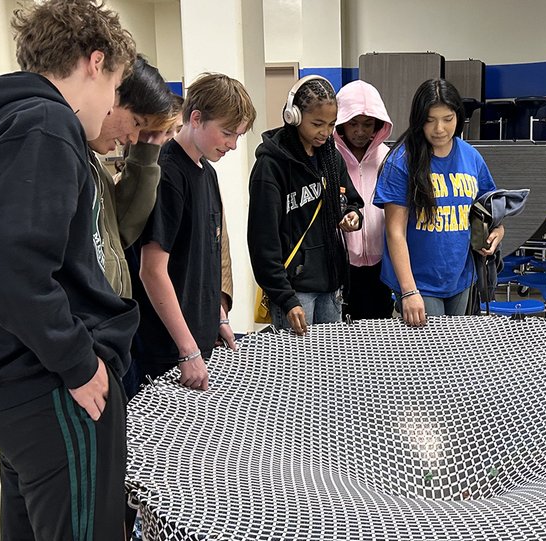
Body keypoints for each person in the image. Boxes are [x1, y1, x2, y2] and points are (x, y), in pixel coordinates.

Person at [0, 0, 137, 541]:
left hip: (17, 387)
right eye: (116, 87)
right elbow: (6, 261)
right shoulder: (47, 124)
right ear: (95, 63)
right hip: (54, 388)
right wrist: (72, 358)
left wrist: (3, 333)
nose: (112, 106)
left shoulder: (3, 126)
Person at [134, 73, 256, 391]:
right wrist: (186, 349)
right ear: (197, 118)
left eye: (238, 136)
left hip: (198, 344)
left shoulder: (208, 173)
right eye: (227, 133)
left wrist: (218, 317)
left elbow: (205, 257)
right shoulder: (168, 175)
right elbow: (152, 271)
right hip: (167, 351)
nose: (232, 145)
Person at [374, 78, 504, 326]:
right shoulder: (401, 161)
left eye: (447, 119)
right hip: (420, 283)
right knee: (431, 360)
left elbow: (486, 210)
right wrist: (409, 291)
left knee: (456, 357)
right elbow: (395, 232)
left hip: (461, 278)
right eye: (430, 120)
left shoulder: (471, 156)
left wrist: (495, 233)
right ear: (418, 120)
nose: (439, 129)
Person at [248, 75, 363, 335]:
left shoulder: (331, 158)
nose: (326, 132)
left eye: (332, 124)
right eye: (317, 124)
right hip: (294, 290)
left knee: (332, 364)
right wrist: (285, 298)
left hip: (331, 284)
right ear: (294, 117)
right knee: (299, 371)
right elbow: (262, 241)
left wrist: (352, 214)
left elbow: (351, 200)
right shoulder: (271, 166)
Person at [89, 54, 175, 299]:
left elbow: (122, 232)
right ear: (112, 96)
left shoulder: (95, 168)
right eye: (137, 123)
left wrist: (146, 153)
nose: (133, 138)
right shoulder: (65, 158)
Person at [334, 79, 395, 320]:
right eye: (353, 124)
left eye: (368, 124)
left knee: (379, 332)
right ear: (341, 124)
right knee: (343, 335)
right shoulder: (331, 158)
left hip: (381, 263)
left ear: (378, 125)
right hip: (342, 264)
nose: (360, 132)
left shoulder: (388, 157)